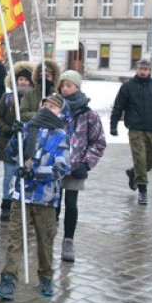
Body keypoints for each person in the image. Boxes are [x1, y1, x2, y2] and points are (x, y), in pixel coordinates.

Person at [0, 93, 71, 300]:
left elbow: (61, 167)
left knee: (45, 240)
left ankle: (45, 276)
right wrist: (14, 136)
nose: (48, 108)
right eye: (46, 104)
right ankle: (7, 280)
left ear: (60, 113)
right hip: (21, 195)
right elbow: (13, 154)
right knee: (15, 238)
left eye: (54, 107)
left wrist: (36, 173)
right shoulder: (28, 128)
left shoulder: (61, 136)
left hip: (45, 198)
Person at [56, 70, 106, 263]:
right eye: (63, 85)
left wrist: (86, 163)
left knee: (70, 203)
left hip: (75, 167)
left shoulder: (89, 115)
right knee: (52, 205)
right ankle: (48, 235)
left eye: (69, 85)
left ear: (77, 87)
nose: (65, 89)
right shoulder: (54, 109)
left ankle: (68, 240)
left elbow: (98, 142)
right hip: (54, 166)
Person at [109, 59, 152, 205]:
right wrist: (114, 124)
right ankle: (143, 191)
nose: (143, 71)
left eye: (146, 69)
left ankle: (133, 172)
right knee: (140, 158)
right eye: (141, 69)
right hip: (135, 128)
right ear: (137, 69)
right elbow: (119, 105)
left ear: (149, 70)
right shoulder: (128, 86)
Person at [0, 63, 35, 222]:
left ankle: (25, 207)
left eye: (26, 80)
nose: (23, 82)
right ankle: (6, 206)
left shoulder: (35, 99)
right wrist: (7, 128)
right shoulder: (8, 97)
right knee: (9, 176)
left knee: (28, 177)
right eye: (20, 79)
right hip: (9, 144)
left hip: (28, 145)